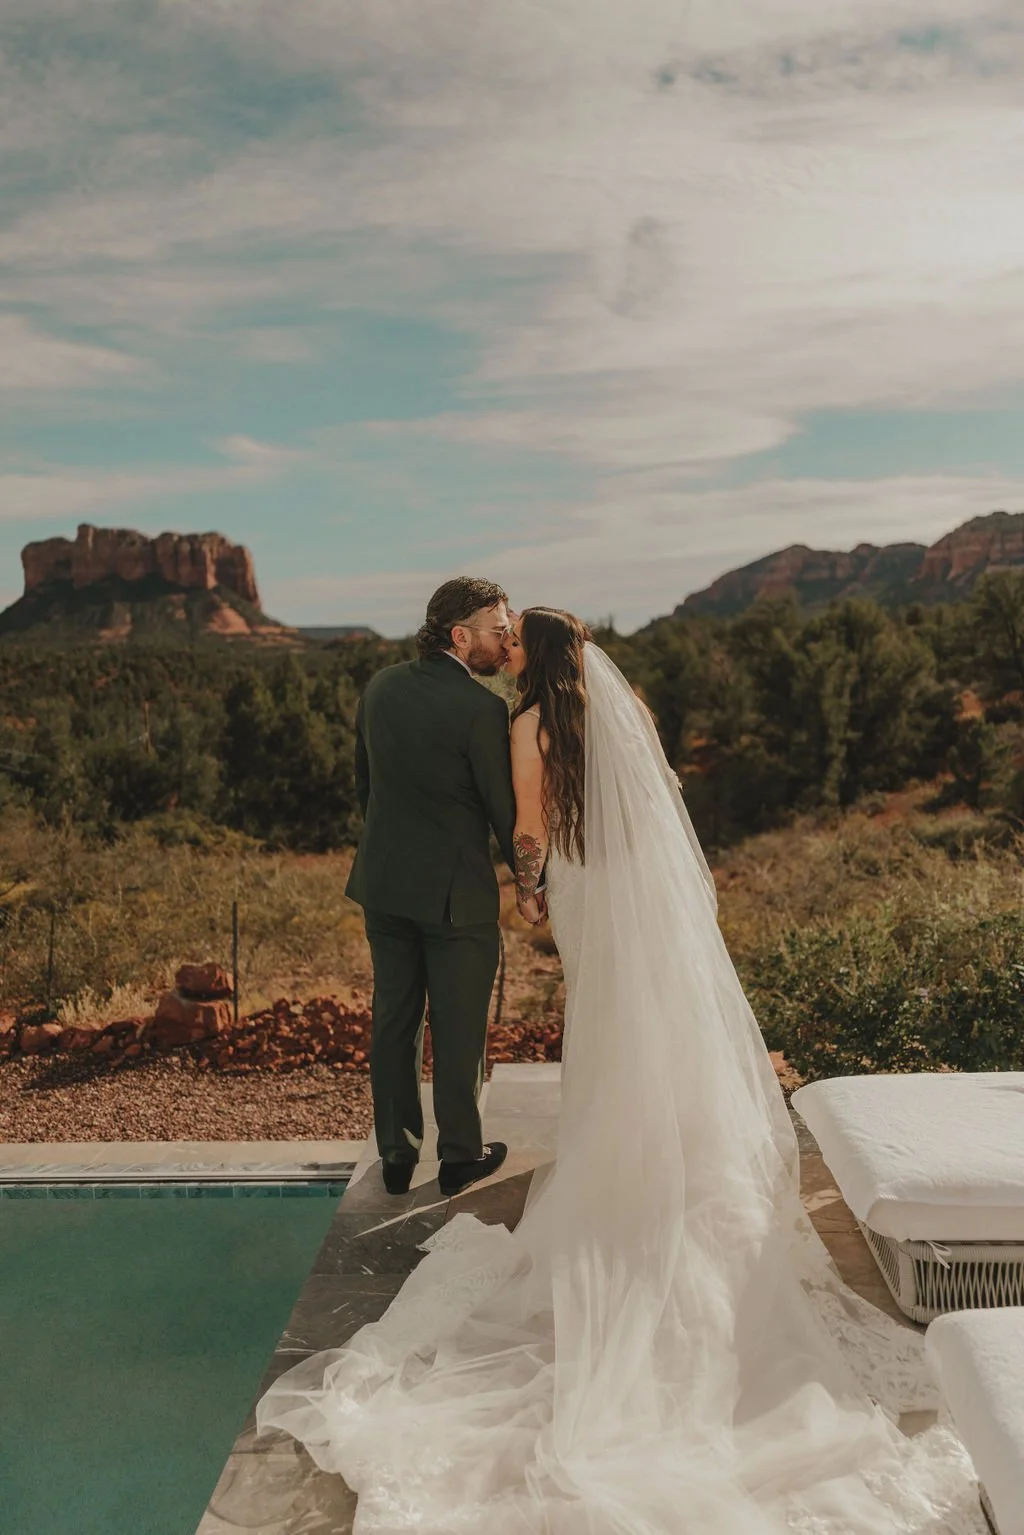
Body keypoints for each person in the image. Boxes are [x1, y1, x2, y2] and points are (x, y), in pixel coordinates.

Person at [259, 611, 983, 1532]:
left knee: (606, 1026)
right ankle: (675, 1149)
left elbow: (529, 825)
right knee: (662, 1018)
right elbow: (661, 789)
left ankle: (617, 1159)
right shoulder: (623, 701)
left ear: (540, 653)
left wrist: (531, 891)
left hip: (587, 886)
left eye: (517, 636)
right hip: (641, 878)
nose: (508, 644)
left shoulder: (525, 725)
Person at [344, 576, 516, 1198]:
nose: (507, 640)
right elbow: (503, 812)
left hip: (382, 886)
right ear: (460, 635)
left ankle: (395, 1157)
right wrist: (531, 881)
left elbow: (366, 786)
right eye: (498, 631)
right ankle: (461, 1157)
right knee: (459, 1025)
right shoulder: (482, 709)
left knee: (393, 1019)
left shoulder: (380, 686)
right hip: (456, 899)